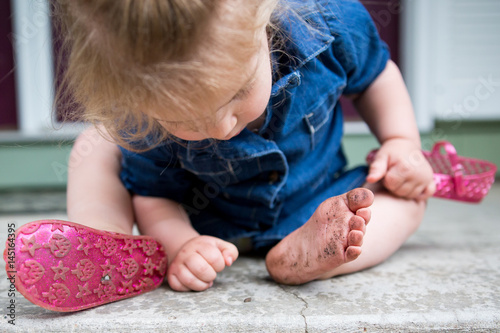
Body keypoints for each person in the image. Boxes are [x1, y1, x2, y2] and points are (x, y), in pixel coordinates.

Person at [12, 0, 435, 310]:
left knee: (405, 196)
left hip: (320, 205)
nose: (219, 128)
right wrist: (183, 244)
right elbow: (154, 195)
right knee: (96, 144)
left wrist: (401, 142)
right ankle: (107, 241)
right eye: (186, 118)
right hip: (208, 228)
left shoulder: (331, 23)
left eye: (236, 94)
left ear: (264, 18)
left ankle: (311, 260)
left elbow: (377, 77)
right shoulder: (140, 112)